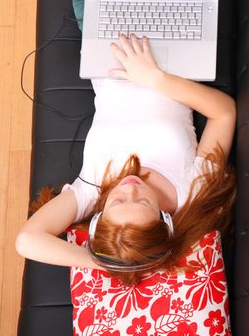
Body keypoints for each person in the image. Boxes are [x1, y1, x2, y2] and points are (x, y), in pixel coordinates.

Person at [15, 33, 237, 287]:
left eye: (117, 201)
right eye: (142, 201)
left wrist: (106, 262)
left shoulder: (90, 190)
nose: (129, 188)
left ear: (98, 219)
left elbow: (26, 241)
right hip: (174, 56)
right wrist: (156, 79)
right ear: (164, 219)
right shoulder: (191, 190)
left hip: (111, 47)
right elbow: (224, 113)